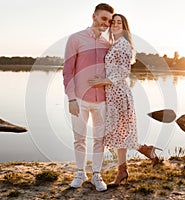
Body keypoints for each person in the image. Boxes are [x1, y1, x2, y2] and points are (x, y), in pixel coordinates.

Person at [88, 13, 161, 187]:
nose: (115, 25)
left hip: (120, 95)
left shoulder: (124, 45)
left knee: (120, 133)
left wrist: (103, 81)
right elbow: (112, 68)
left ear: (124, 26)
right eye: (113, 22)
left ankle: (123, 171)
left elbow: (123, 72)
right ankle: (145, 152)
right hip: (111, 94)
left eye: (119, 22)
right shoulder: (114, 44)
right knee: (119, 133)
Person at [62, 3, 114, 192]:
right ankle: (80, 172)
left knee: (99, 139)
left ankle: (97, 175)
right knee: (79, 138)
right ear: (94, 16)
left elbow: (114, 72)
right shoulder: (75, 39)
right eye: (103, 19)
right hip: (80, 100)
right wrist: (71, 98)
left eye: (109, 20)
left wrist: (105, 82)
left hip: (102, 101)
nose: (106, 23)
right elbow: (68, 71)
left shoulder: (108, 44)